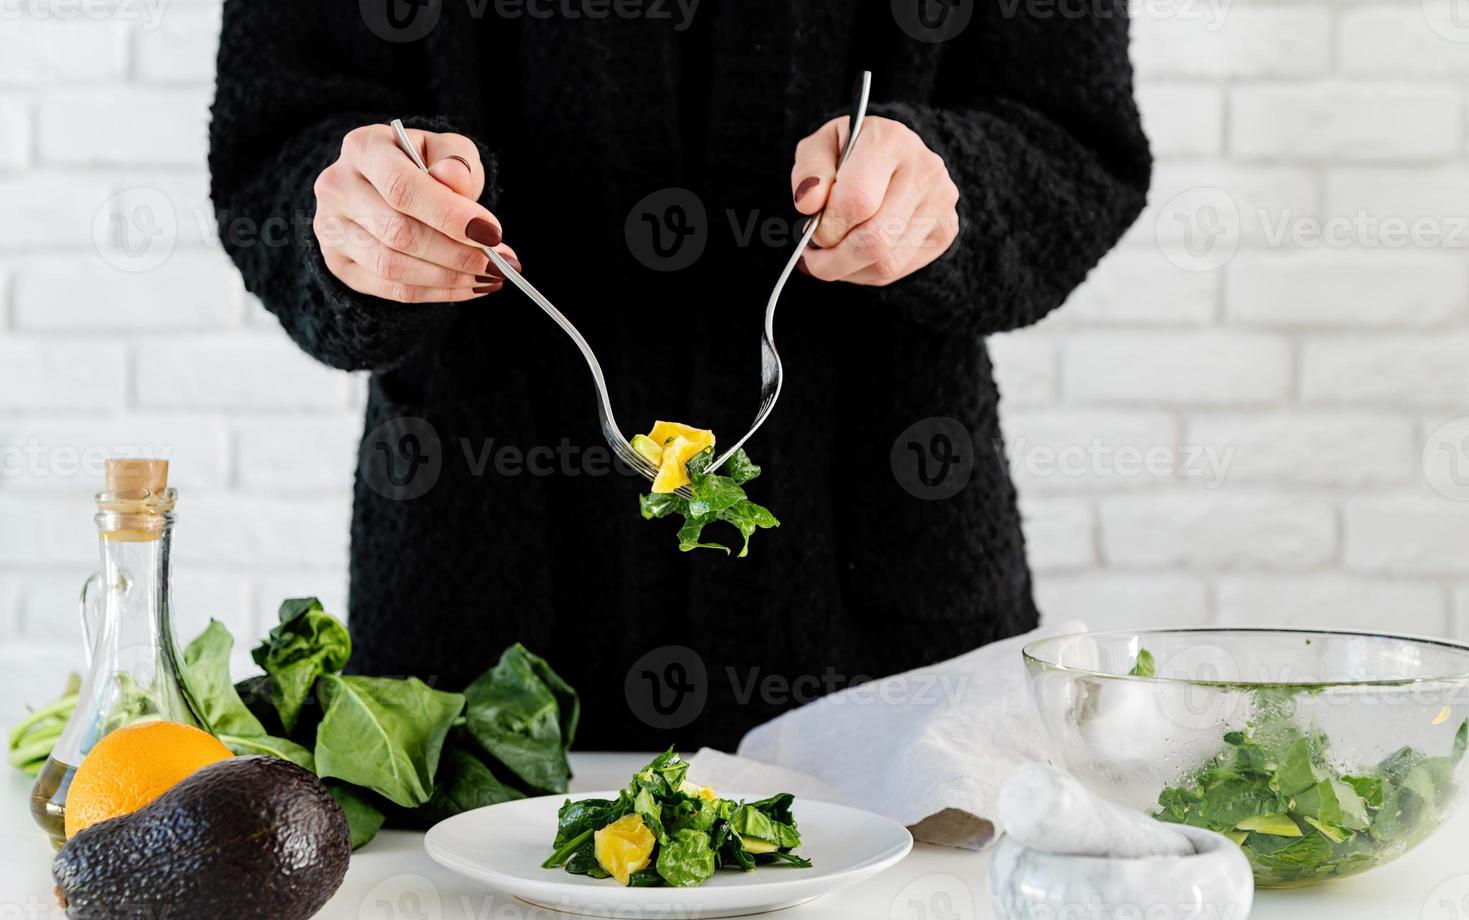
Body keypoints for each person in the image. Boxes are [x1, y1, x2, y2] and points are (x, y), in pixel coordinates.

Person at [209, 1, 1150, 749]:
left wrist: (949, 185)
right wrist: (357, 217)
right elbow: (278, 138)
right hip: (480, 630)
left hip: (885, 632)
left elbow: (1076, 143)